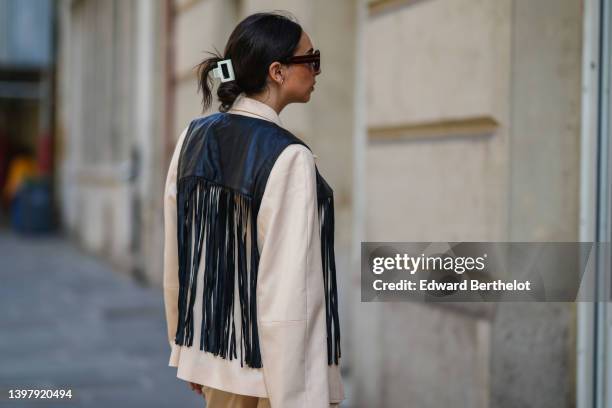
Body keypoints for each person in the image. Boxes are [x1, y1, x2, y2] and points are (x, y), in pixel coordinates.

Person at [163, 11, 345, 407]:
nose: (317, 70)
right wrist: (300, 395)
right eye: (311, 60)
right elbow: (290, 292)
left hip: (217, 351)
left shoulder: (192, 137)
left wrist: (189, 346)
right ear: (277, 71)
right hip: (271, 375)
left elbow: (179, 256)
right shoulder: (289, 156)